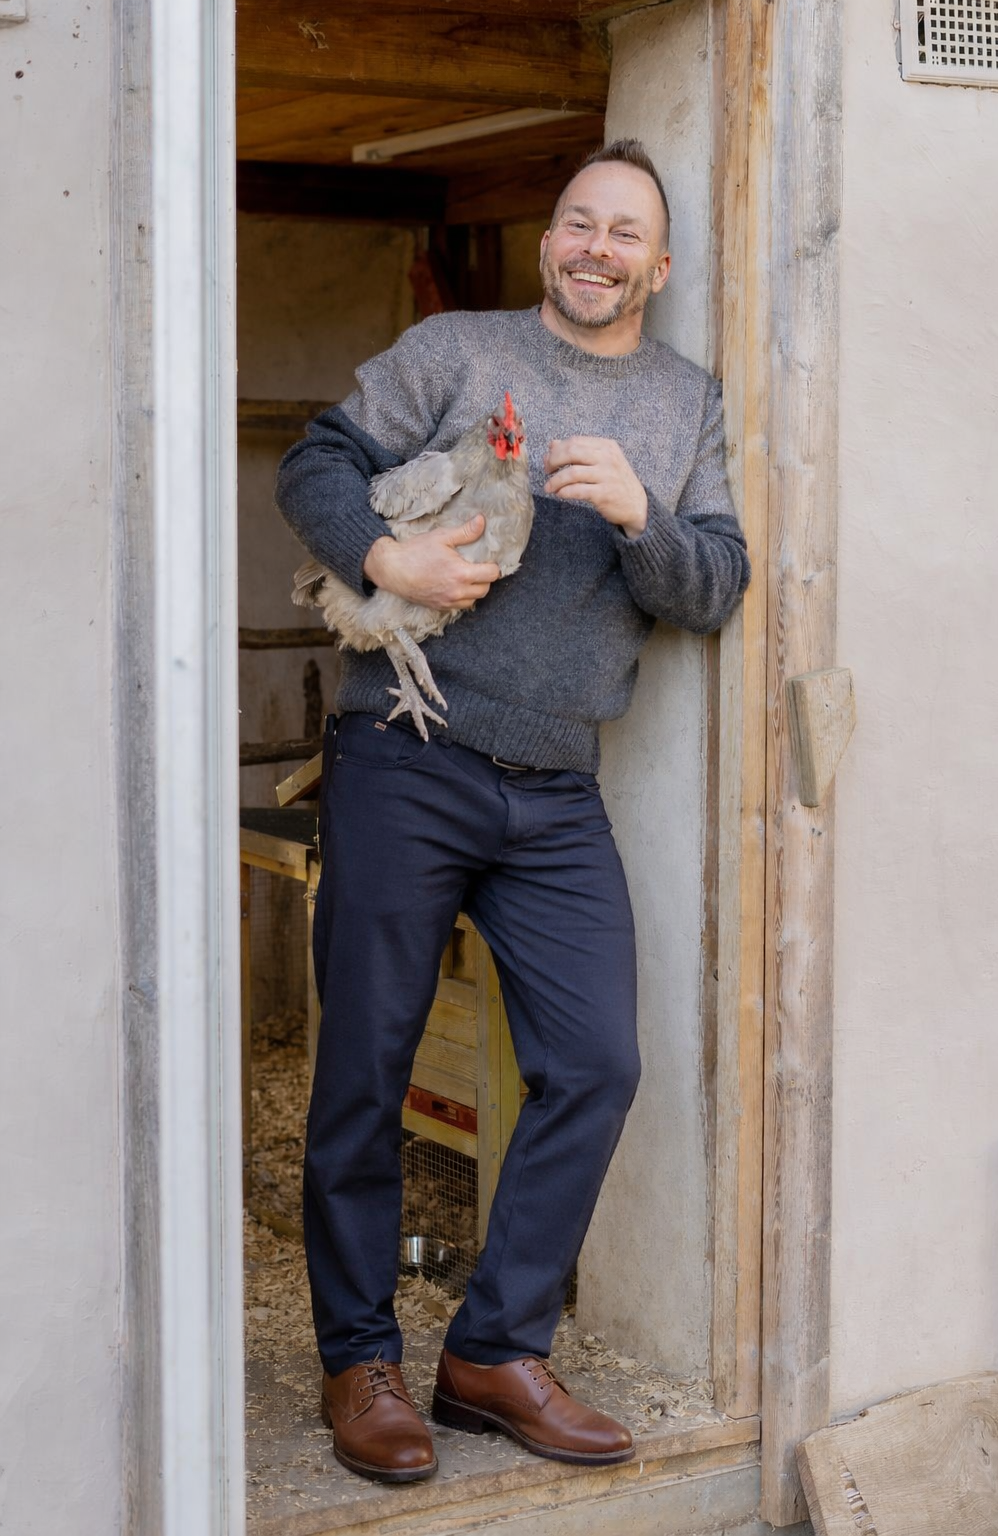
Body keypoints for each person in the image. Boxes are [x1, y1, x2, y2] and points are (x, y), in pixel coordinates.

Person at [276, 139, 750, 1485]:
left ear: (659, 265)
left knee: (598, 1062)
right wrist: (387, 552)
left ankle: (492, 1349)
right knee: (364, 1066)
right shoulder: (454, 349)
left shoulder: (683, 402)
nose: (595, 249)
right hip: (407, 750)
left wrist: (644, 518)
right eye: (576, 224)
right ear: (549, 239)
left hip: (555, 787)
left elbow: (713, 582)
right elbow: (313, 462)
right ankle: (359, 1359)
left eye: (625, 236)